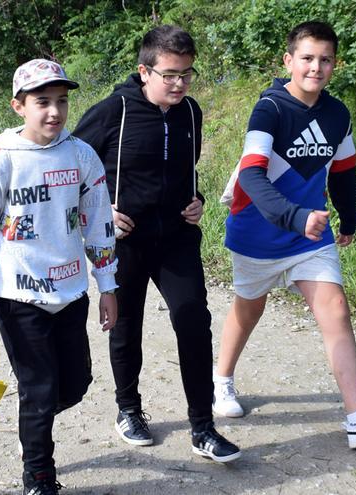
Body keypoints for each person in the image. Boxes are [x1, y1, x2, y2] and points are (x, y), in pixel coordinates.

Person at [212, 20, 356, 449]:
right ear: (289, 61)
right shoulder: (270, 108)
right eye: (306, 58)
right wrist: (293, 216)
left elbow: (343, 170)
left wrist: (350, 218)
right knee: (248, 312)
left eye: (324, 60)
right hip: (259, 233)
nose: (315, 67)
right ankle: (222, 380)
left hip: (311, 236)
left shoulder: (337, 113)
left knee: (335, 308)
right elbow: (251, 176)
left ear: (334, 65)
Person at [73, 25, 241, 463]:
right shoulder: (113, 111)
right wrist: (99, 212)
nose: (180, 83)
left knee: (192, 319)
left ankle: (203, 427)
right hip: (125, 239)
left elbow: (184, 168)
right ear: (144, 71)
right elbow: (68, 169)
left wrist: (198, 198)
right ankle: (128, 409)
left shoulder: (190, 112)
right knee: (126, 326)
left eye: (187, 73)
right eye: (169, 74)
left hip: (176, 237)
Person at [0, 59, 118, 495]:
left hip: (70, 292)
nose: (54, 112)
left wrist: (108, 285)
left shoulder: (82, 155)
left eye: (62, 101)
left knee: (76, 383)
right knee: (39, 388)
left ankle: (38, 414)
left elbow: (99, 221)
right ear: (18, 107)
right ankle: (39, 475)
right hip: (17, 295)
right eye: (42, 102)